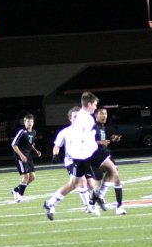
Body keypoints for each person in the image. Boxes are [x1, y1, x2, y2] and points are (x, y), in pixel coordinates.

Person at [42, 91, 124, 220]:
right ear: (90, 104)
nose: (96, 107)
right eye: (95, 105)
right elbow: (82, 138)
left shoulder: (82, 116)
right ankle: (92, 202)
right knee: (79, 182)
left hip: (83, 154)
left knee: (77, 183)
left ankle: (51, 203)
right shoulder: (86, 118)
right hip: (82, 155)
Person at [52, 107, 99, 215]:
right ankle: (88, 206)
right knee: (81, 182)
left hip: (83, 160)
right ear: (70, 118)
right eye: (74, 117)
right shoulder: (65, 132)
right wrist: (55, 155)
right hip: (71, 161)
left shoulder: (84, 131)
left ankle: (51, 203)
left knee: (91, 185)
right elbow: (57, 145)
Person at [90, 106, 126, 214]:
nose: (104, 115)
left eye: (105, 113)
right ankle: (119, 207)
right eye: (101, 113)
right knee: (115, 173)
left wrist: (111, 139)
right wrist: (99, 142)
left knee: (112, 173)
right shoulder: (93, 127)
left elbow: (102, 141)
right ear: (95, 115)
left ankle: (95, 199)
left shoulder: (102, 127)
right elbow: (87, 141)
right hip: (97, 156)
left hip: (105, 154)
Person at [9, 114, 41, 202]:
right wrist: (21, 155)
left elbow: (31, 144)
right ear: (24, 122)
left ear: (33, 123)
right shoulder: (22, 132)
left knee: (33, 177)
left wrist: (35, 150)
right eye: (28, 121)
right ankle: (19, 195)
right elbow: (13, 144)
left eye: (31, 121)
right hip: (20, 156)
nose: (29, 123)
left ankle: (15, 190)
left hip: (28, 156)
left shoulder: (34, 132)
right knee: (26, 177)